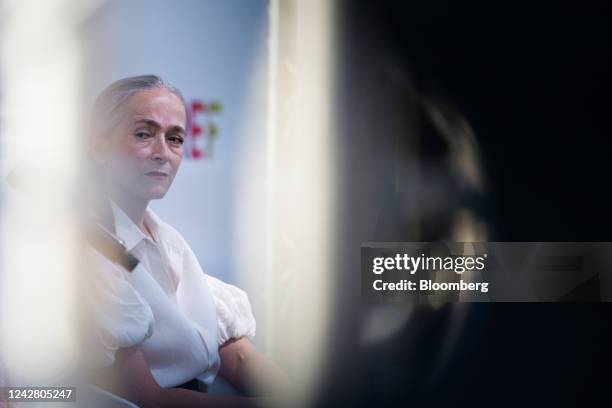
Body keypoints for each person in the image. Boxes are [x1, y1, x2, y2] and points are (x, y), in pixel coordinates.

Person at [84, 75, 287, 407]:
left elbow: (238, 358)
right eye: (143, 134)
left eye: (175, 138)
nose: (162, 153)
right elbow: (150, 400)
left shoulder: (168, 243)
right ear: (98, 145)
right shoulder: (89, 255)